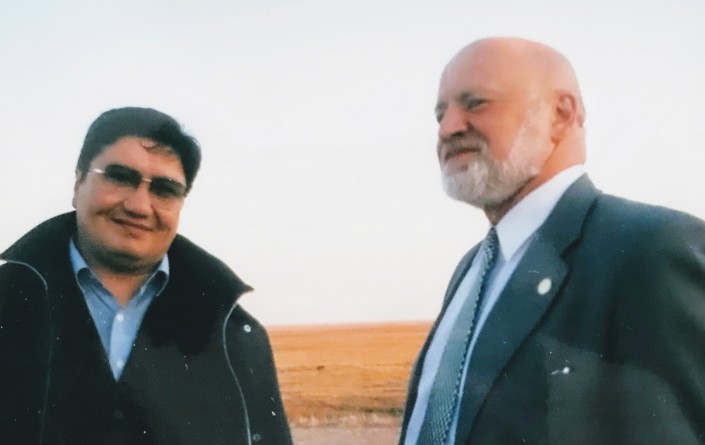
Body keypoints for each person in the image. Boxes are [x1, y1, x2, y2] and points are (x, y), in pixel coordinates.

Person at [399, 37, 705, 444]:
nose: (447, 128)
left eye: (476, 103)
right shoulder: (472, 270)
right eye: (441, 113)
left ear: (561, 115)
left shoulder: (649, 250)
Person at [0, 107, 293, 444]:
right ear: (79, 184)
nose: (139, 206)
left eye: (165, 190)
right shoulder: (7, 302)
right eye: (120, 177)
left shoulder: (234, 337)